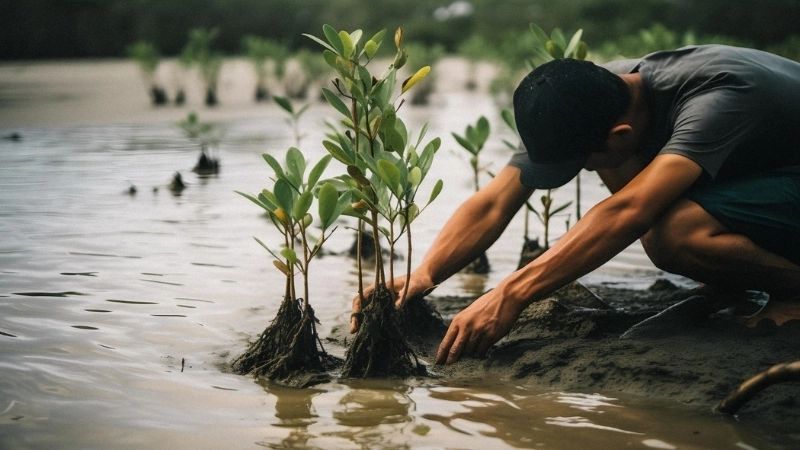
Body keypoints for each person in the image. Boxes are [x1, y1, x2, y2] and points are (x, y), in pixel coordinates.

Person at [351, 44, 800, 365]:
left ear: (620, 135)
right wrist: (425, 274)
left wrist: (510, 294)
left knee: (674, 234)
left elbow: (628, 211)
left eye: (580, 163)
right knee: (641, 190)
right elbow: (494, 202)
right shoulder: (590, 95)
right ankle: (731, 278)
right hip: (770, 173)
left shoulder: (716, 99)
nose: (583, 172)